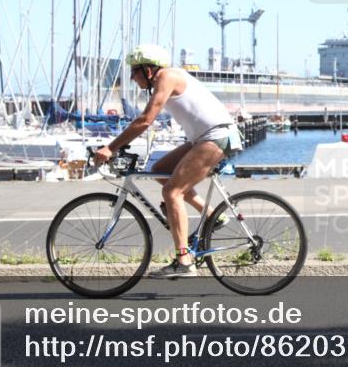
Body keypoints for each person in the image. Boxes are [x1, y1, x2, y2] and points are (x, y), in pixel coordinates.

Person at [93, 44, 242, 278]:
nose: (132, 77)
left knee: (172, 192)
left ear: (149, 70)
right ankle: (212, 214)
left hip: (217, 136)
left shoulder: (167, 76)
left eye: (135, 71)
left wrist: (111, 148)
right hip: (205, 137)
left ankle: (184, 261)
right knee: (161, 170)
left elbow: (145, 120)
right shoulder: (164, 78)